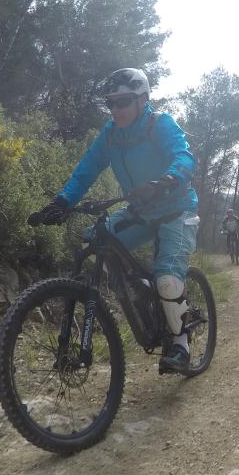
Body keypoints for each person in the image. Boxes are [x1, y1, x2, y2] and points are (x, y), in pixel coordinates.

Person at [33, 68, 199, 373]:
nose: (115, 109)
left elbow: (185, 157)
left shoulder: (159, 123)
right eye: (110, 103)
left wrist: (165, 181)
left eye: (123, 102)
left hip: (177, 209)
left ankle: (181, 344)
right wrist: (61, 202)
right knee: (93, 238)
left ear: (142, 99)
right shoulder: (111, 134)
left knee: (167, 277)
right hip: (140, 212)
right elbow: (86, 170)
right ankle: (137, 287)